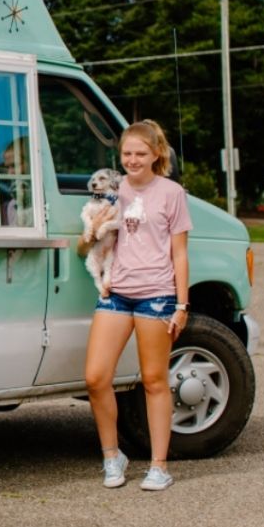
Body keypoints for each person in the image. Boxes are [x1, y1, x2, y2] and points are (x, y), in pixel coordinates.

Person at [79, 120, 190, 491]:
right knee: (96, 377)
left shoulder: (172, 193)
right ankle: (113, 456)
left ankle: (159, 466)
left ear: (157, 154)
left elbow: (180, 252)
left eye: (140, 153)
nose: (132, 159)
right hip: (115, 293)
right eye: (127, 153)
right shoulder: (113, 190)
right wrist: (92, 229)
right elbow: (86, 247)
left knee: (155, 380)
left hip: (157, 295)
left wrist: (182, 304)